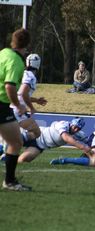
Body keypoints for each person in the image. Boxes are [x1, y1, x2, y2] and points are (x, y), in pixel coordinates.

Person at [0, 28, 31, 191]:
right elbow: (10, 87)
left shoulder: (4, 52)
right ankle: (10, 181)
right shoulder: (17, 61)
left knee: (15, 141)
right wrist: (18, 105)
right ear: (27, 44)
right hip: (1, 105)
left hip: (2, 105)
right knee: (15, 142)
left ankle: (10, 181)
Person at [17, 118, 91, 163]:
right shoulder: (63, 124)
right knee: (13, 145)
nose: (75, 130)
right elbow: (66, 137)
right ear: (71, 124)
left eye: (78, 129)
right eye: (75, 127)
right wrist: (83, 147)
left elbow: (90, 142)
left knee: (23, 160)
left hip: (39, 146)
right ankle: (5, 154)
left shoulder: (79, 134)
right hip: (35, 135)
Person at [10, 54, 47, 141]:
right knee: (36, 133)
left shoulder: (22, 73)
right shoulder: (30, 76)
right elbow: (23, 93)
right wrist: (32, 108)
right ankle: (13, 146)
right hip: (17, 110)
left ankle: (11, 145)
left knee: (10, 136)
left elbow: (22, 94)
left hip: (10, 107)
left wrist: (36, 100)